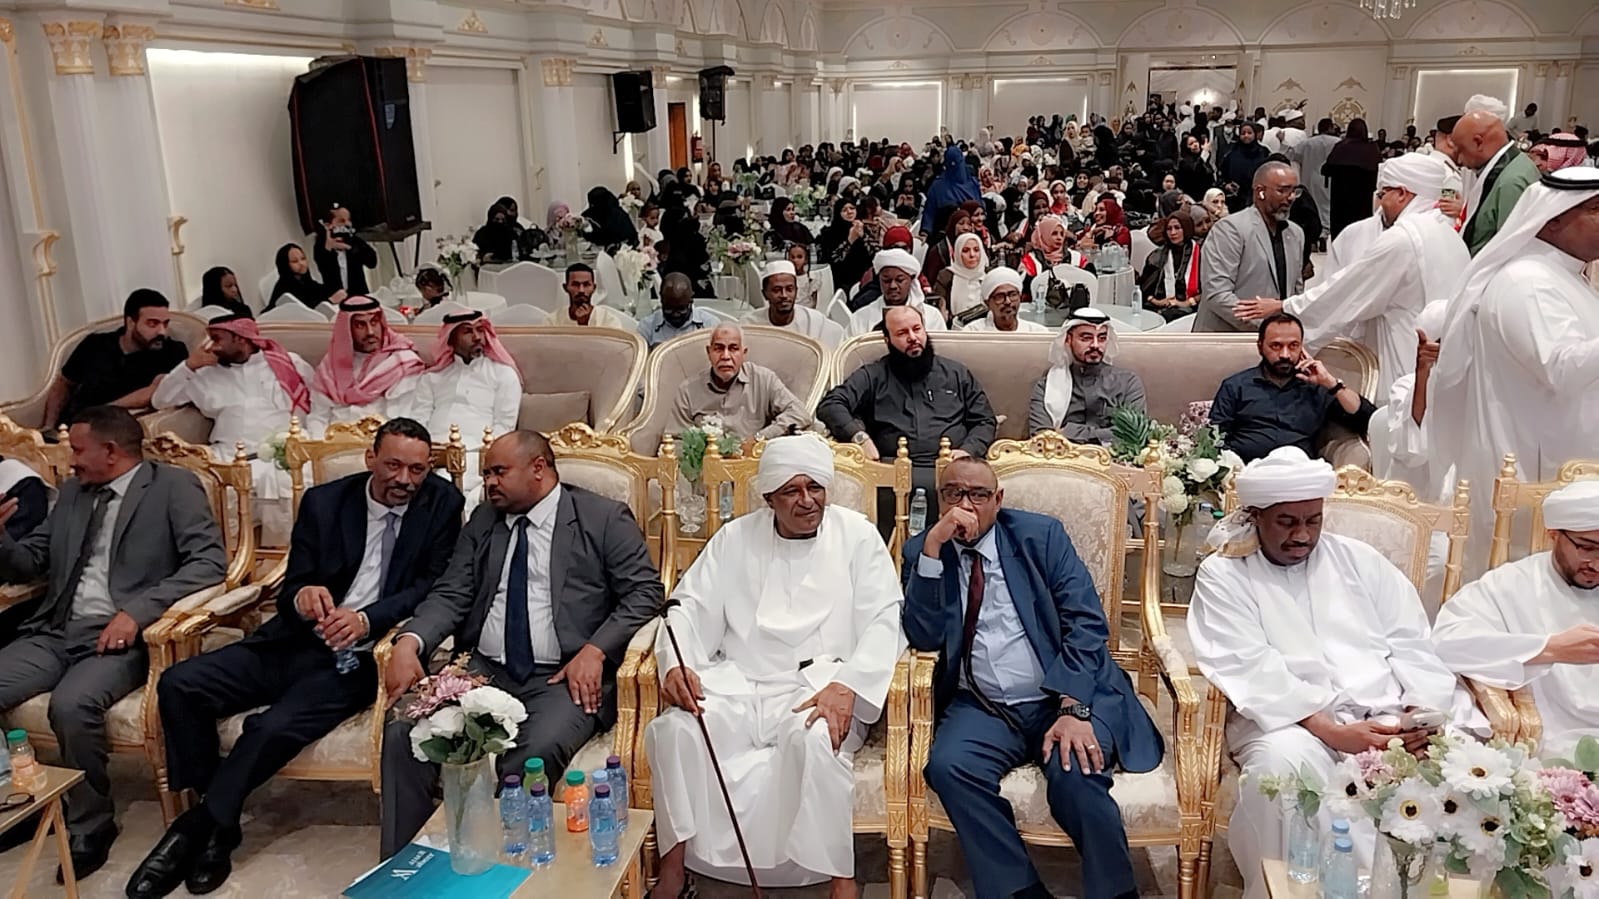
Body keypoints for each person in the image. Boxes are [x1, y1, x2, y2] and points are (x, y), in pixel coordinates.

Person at [125, 419, 462, 898]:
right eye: (393, 465)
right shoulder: (326, 502)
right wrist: (303, 596)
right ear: (370, 458)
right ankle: (220, 821)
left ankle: (194, 830)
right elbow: (293, 586)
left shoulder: (442, 504)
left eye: (417, 470)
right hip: (295, 641)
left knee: (269, 727)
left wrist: (366, 619)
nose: (404, 480)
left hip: (359, 656)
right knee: (180, 683)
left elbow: (430, 586)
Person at [1187, 446, 1484, 899]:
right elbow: (1249, 666)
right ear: (1255, 515)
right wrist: (1334, 732)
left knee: (1468, 768)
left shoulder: (1360, 561)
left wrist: (1417, 716)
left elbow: (1412, 642)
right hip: (1289, 722)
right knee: (1281, 769)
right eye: (1287, 522)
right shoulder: (1224, 574)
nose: (1303, 535)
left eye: (1314, 520)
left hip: (1386, 716)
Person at [378, 430, 662, 855]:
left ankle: (502, 865)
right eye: (485, 474)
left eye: (498, 472)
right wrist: (409, 642)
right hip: (483, 670)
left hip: (563, 678)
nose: (489, 483)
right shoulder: (484, 520)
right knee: (404, 729)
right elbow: (452, 593)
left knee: (533, 754)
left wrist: (596, 649)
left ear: (538, 469)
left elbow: (645, 592)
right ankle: (407, 864)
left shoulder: (601, 518)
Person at [647, 436, 904, 897]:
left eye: (815, 488)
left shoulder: (858, 536)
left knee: (819, 739)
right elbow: (686, 608)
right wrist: (675, 665)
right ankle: (673, 871)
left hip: (820, 686)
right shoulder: (734, 539)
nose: (807, 501)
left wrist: (848, 685)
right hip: (740, 683)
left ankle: (841, 883)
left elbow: (885, 620)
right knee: (675, 730)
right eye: (792, 491)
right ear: (769, 498)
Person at [904, 456, 1160, 899]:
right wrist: (931, 553)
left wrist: (1074, 708)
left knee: (1078, 771)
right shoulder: (924, 551)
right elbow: (923, 636)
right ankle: (1018, 891)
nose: (965, 505)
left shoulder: (1040, 537)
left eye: (978, 495)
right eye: (954, 493)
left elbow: (1086, 623)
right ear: (939, 498)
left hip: (1058, 695)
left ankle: (1116, 893)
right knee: (949, 767)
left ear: (998, 500)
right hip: (982, 705)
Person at [0, 406, 226, 878]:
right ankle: (23, 803)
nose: (70, 461)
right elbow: (30, 562)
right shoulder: (72, 491)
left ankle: (91, 825)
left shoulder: (172, 487)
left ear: (111, 450)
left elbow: (207, 563)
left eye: (78, 450)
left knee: (71, 706)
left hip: (120, 638)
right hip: (56, 628)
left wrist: (136, 613)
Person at [1427, 167, 1599, 578]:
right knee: (1525, 586)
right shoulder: (1528, 281)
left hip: (1566, 461)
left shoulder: (1563, 276)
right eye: (1596, 209)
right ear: (1553, 218)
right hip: (1530, 473)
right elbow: (1561, 367)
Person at [1234, 154, 1470, 398]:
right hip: (1440, 364)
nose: (1380, 202)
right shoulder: (1448, 235)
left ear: (1402, 193)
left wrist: (1284, 307)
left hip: (1405, 355)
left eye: (1383, 193)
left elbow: (1347, 292)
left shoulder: (1403, 238)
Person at [1432, 481, 1599, 758]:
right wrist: (1549, 649)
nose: (1596, 563)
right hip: (1555, 743)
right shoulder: (1510, 585)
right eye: (1587, 548)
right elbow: (1446, 643)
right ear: (1553, 534)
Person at [817, 305, 996, 516]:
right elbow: (831, 404)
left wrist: (967, 451)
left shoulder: (956, 373)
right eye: (902, 333)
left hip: (953, 469)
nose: (912, 337)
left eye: (917, 329)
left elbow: (985, 420)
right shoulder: (873, 375)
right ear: (887, 340)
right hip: (891, 470)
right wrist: (859, 438)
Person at [150, 311, 315, 501]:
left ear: (240, 338)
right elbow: (160, 401)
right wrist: (188, 366)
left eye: (216, 339)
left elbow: (315, 403)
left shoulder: (287, 363)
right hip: (230, 458)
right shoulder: (205, 373)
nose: (211, 347)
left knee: (285, 484)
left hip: (283, 456)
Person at [1209, 312, 1375, 464]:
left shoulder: (1317, 388)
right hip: (1244, 471)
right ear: (1260, 347)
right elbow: (1214, 438)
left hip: (1299, 472)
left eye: (1293, 345)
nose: (1285, 355)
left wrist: (1332, 384)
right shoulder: (1235, 386)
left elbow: (1368, 420)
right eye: (1276, 346)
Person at [412, 307, 522, 506]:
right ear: (451, 338)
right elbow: (418, 422)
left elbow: (504, 427)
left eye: (480, 330)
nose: (477, 337)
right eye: (468, 331)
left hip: (476, 456)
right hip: (431, 454)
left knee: (447, 488)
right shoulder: (432, 378)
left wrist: (486, 461)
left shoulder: (503, 375)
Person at [42, 290, 189, 433]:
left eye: (165, 324)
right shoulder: (95, 344)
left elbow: (156, 389)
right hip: (68, 427)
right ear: (130, 322)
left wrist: (99, 414)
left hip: (114, 430)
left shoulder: (173, 351)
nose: (162, 331)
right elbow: (64, 382)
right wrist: (49, 426)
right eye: (152, 324)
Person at [1194, 162, 1305, 333]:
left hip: (1276, 340)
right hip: (1227, 337)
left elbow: (1296, 292)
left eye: (1294, 191)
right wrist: (1266, 327)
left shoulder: (1296, 234)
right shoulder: (1230, 229)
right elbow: (1217, 294)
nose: (1290, 197)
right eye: (1283, 190)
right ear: (1260, 191)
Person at [669, 323, 811, 442]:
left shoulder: (763, 380)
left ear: (744, 353)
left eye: (733, 349)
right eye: (718, 349)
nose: (725, 356)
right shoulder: (688, 390)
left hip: (754, 462)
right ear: (709, 352)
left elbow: (799, 413)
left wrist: (760, 438)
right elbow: (674, 440)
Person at [307, 297, 426, 434]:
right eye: (360, 325)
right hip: (334, 440)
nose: (370, 332)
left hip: (381, 440)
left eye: (374, 323)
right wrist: (319, 444)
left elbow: (400, 420)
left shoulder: (401, 363)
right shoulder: (330, 366)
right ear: (347, 330)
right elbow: (318, 417)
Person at [1027, 309, 1145, 442]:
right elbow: (1042, 439)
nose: (1095, 345)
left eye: (1102, 338)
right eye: (1086, 338)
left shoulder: (1128, 383)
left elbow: (1134, 434)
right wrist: (1105, 434)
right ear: (1068, 339)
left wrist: (1068, 432)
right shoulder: (1047, 387)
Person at [1452, 110, 1541, 256]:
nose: (1460, 160)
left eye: (1461, 150)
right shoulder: (1513, 165)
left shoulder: (1511, 182)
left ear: (1478, 142)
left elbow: (1509, 252)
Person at [742, 260, 844, 347]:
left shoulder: (815, 322)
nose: (784, 295)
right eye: (777, 290)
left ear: (796, 291)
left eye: (789, 289)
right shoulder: (749, 325)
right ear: (765, 294)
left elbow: (837, 339)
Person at [846, 249, 947, 337]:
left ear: (911, 280)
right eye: (886, 280)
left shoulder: (931, 317)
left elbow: (942, 350)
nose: (893, 286)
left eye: (899, 280)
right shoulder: (861, 318)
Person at [1137, 213, 1202, 321]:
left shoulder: (1201, 253)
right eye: (1169, 229)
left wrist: (1187, 303)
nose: (1173, 233)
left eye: (1177, 228)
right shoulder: (1157, 256)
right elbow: (1144, 289)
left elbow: (1208, 289)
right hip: (1160, 307)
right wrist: (1157, 301)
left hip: (1193, 308)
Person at [312, 203, 378, 296]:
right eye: (341, 221)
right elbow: (324, 267)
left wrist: (349, 248)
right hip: (335, 297)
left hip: (359, 295)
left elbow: (372, 262)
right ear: (329, 225)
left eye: (349, 220)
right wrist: (329, 248)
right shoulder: (321, 245)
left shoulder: (355, 241)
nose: (347, 224)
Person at [638, 272, 718, 349]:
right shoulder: (647, 327)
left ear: (691, 299)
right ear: (661, 299)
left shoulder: (710, 325)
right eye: (669, 309)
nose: (675, 314)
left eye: (681, 309)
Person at [1291, 118, 1341, 234]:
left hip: (1310, 177)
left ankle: (1314, 230)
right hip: (1331, 178)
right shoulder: (1339, 142)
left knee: (1312, 204)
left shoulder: (1307, 143)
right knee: (1328, 204)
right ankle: (1327, 230)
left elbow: (1293, 155)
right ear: (1330, 128)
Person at [960, 267, 1048, 333]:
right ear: (987, 303)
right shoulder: (973, 332)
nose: (1008, 301)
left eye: (1013, 295)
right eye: (1000, 297)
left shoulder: (1037, 333)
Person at [921, 145, 981, 239]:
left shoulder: (973, 183)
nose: (955, 168)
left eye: (958, 163)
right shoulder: (937, 187)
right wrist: (925, 232)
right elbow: (929, 213)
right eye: (951, 165)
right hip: (944, 236)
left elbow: (980, 209)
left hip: (972, 235)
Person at [265, 243, 343, 310]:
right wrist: (330, 300)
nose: (301, 263)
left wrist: (336, 292)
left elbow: (318, 290)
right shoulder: (285, 286)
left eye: (303, 258)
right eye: (295, 261)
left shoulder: (304, 280)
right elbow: (305, 308)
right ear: (285, 265)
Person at [818, 197, 874, 290]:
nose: (849, 212)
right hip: (841, 281)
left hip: (864, 279)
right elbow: (833, 260)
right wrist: (849, 241)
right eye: (844, 210)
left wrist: (863, 236)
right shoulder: (830, 234)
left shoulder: (863, 228)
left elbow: (875, 253)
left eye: (852, 208)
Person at [934, 233, 988, 322]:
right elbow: (939, 307)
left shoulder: (988, 276)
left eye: (976, 250)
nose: (972, 255)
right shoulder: (946, 276)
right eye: (965, 250)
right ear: (958, 253)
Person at [559, 263, 629, 328]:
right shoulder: (554, 321)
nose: (581, 290)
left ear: (594, 288)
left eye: (586, 285)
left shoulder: (608, 321)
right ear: (565, 288)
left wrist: (584, 325)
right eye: (575, 285)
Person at [580, 185, 639, 250]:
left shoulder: (618, 216)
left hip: (623, 251)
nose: (592, 206)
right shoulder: (590, 214)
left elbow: (630, 238)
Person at [1218, 122, 1269, 194]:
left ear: (1255, 134)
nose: (1246, 136)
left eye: (1249, 133)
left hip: (1257, 193)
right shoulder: (1231, 151)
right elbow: (1222, 173)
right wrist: (1226, 185)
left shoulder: (1263, 152)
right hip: (1235, 194)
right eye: (1243, 133)